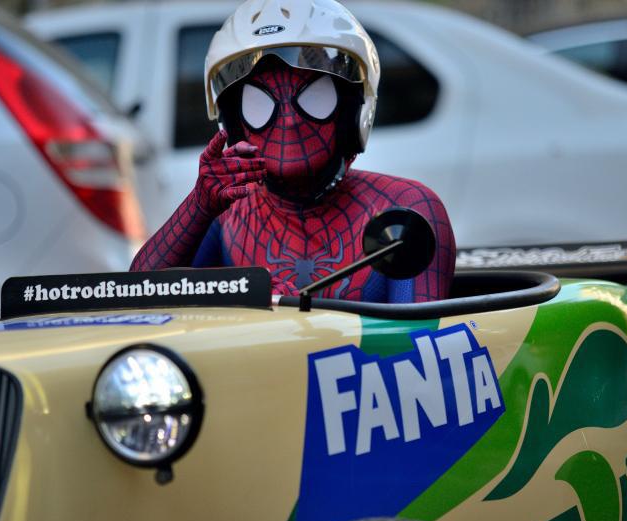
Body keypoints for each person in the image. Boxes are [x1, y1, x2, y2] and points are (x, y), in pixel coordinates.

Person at [131, 0, 455, 303]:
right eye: (260, 103)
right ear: (233, 124)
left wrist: (292, 319)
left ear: (352, 111)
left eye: (314, 97)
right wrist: (199, 205)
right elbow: (136, 301)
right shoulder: (227, 218)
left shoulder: (406, 211)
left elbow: (418, 347)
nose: (288, 122)